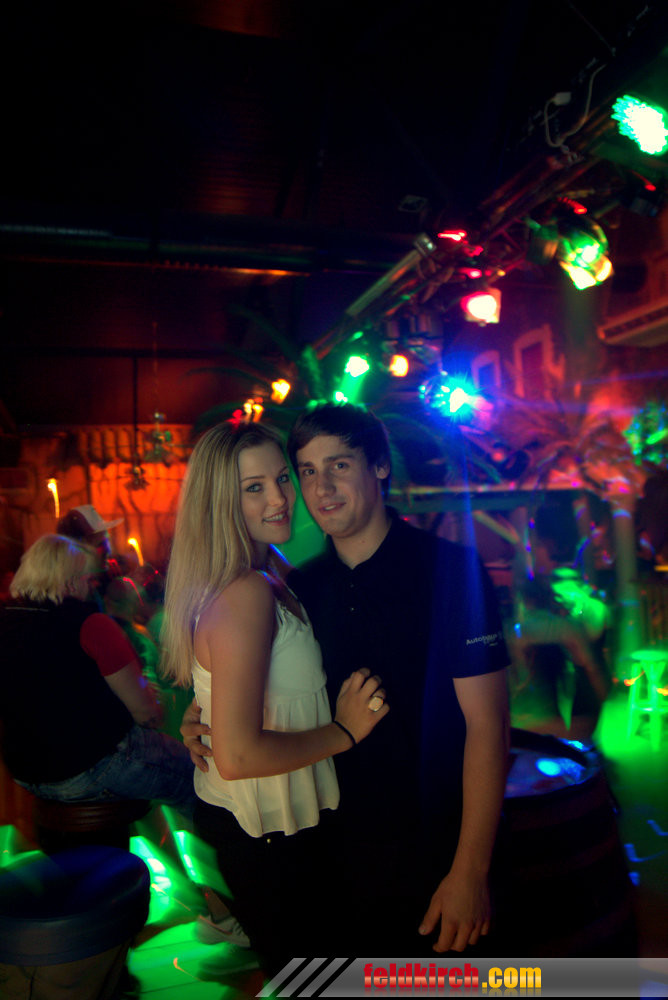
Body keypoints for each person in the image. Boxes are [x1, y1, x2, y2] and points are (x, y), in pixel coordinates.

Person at [184, 402, 510, 957]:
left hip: (433, 842)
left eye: (339, 465)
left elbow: (489, 725)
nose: (321, 487)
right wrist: (203, 715)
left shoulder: (450, 570)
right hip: (330, 848)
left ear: (380, 466)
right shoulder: (302, 587)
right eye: (307, 471)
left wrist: (470, 871)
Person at [160, 421, 389, 971]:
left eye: (283, 478)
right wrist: (344, 732)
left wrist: (203, 712)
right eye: (254, 487)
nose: (281, 498)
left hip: (267, 823)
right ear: (222, 501)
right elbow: (238, 757)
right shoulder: (245, 591)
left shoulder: (265, 572)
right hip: (264, 830)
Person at [0, 534, 195, 818]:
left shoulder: (6, 620)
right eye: (89, 580)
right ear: (70, 582)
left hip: (26, 774)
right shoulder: (89, 623)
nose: (94, 588)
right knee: (198, 779)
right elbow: (146, 713)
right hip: (91, 766)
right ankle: (207, 844)